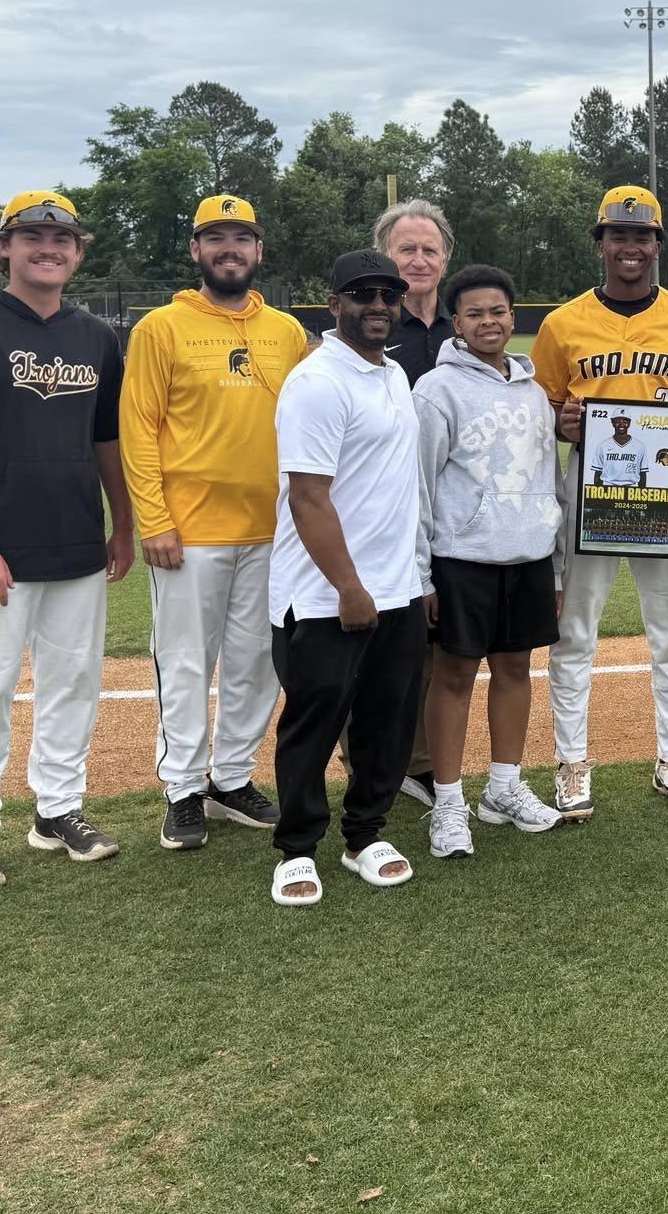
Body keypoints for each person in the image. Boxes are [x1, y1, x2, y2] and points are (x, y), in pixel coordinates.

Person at [0, 190, 133, 892]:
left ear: (77, 252)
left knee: (73, 685)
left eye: (63, 239)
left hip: (74, 548)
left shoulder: (96, 337)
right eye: (33, 236)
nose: (49, 247)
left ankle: (58, 810)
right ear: (3, 246)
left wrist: (122, 522)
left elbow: (107, 439)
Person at [120, 195, 310, 852]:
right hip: (189, 534)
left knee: (256, 663)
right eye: (216, 238)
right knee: (185, 663)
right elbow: (137, 430)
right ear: (196, 250)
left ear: (259, 250)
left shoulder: (285, 331)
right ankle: (181, 788)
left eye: (242, 238)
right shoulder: (160, 328)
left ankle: (231, 779)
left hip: (271, 531)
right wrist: (155, 520)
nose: (230, 249)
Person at [531, 185, 668, 818]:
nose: (630, 246)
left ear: (658, 245)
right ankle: (572, 761)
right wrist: (561, 423)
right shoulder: (562, 324)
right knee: (574, 629)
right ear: (601, 244)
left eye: (642, 235)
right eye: (618, 235)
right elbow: (544, 416)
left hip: (663, 485)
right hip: (590, 485)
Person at [266, 251, 433, 906]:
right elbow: (308, 497)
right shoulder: (316, 381)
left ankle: (364, 835)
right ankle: (297, 848)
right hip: (325, 595)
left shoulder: (392, 374)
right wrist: (348, 587)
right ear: (334, 303)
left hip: (395, 589)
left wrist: (412, 578)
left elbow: (398, 491)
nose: (378, 305)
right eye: (363, 294)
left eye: (389, 294)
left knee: (386, 724)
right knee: (314, 721)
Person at [412, 264, 565, 857]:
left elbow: (548, 483)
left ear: (513, 317)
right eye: (475, 313)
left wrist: (552, 567)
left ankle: (502, 789)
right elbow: (420, 487)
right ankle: (449, 803)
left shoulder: (533, 391)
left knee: (515, 670)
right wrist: (422, 573)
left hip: (525, 556)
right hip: (462, 557)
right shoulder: (435, 390)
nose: (488, 322)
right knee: (452, 675)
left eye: (497, 311)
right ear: (457, 322)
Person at [369, 198, 457, 811]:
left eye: (429, 249)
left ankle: (421, 765)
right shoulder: (370, 329)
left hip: (449, 522)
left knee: (435, 645)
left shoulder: (466, 328)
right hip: (381, 516)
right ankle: (371, 759)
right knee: (376, 645)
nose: (419, 259)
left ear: (446, 257)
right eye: (407, 248)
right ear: (386, 257)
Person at [593, 413, 648, 487]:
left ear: (629, 423)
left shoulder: (640, 446)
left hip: (632, 488)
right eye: (618, 421)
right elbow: (598, 472)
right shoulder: (603, 445)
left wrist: (642, 495)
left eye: (625, 422)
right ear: (613, 423)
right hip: (608, 487)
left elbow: (643, 473)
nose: (621, 424)